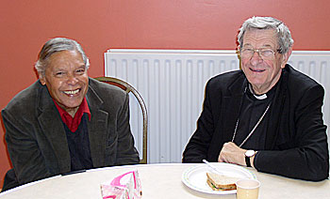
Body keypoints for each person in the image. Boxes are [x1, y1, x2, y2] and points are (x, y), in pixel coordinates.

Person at [182, 16, 329, 181]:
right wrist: (206, 181)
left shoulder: (303, 93)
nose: (255, 60)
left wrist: (247, 157)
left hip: (273, 186)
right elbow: (196, 148)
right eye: (248, 49)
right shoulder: (219, 88)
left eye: (266, 51)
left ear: (284, 57)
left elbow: (317, 163)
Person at [1, 37, 139, 191]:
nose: (73, 81)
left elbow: (126, 162)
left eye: (79, 71)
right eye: (60, 73)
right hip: (44, 191)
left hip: (99, 189)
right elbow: (34, 180)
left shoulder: (114, 101)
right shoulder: (20, 112)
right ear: (42, 77)